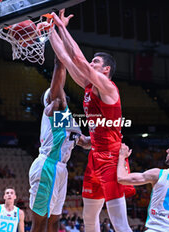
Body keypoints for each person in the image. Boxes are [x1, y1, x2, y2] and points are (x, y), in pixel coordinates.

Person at [49, 9, 135, 232]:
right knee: (88, 217)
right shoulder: (89, 87)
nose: (91, 63)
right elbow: (67, 60)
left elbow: (78, 59)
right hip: (95, 155)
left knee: (119, 222)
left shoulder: (108, 88)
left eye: (95, 62)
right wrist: (50, 28)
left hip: (112, 157)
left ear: (105, 69)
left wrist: (63, 28)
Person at [28, 12, 91, 232]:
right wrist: (59, 30)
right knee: (40, 222)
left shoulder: (67, 119)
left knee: (55, 220)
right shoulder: (55, 103)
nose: (59, 96)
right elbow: (60, 63)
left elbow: (82, 141)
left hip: (61, 170)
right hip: (47, 165)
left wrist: (104, 139)